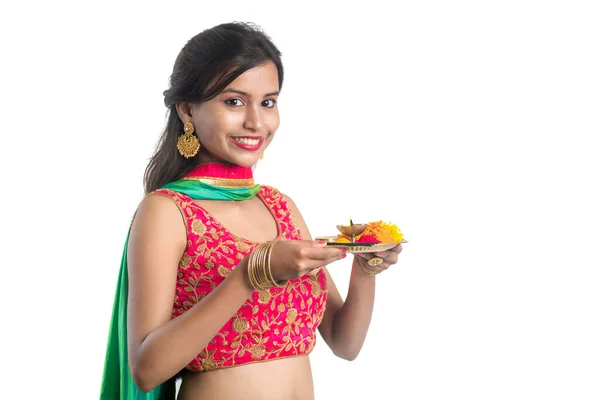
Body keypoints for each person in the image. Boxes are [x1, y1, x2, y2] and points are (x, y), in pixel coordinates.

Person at [100, 21, 403, 400]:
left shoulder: (281, 206)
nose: (256, 122)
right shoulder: (167, 212)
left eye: (268, 102)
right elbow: (146, 370)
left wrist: (365, 265)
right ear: (187, 110)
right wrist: (251, 273)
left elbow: (344, 343)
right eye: (234, 101)